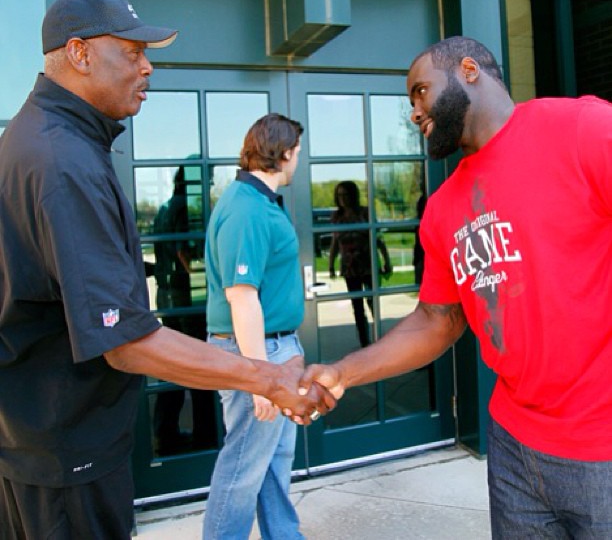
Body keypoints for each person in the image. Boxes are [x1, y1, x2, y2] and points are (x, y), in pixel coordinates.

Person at [0, 0, 333, 539]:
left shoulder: (43, 140)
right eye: (132, 52)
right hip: (65, 455)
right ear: (79, 54)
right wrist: (267, 377)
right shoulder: (62, 161)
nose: (147, 66)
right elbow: (126, 341)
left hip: (41, 443)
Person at [300, 36, 612, 538]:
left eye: (420, 91)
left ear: (469, 69)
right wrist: (343, 371)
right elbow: (436, 320)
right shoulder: (444, 207)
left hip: (603, 446)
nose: (414, 112)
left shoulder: (581, 128)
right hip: (514, 446)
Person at [203, 113, 307, 540]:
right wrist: (260, 377)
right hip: (255, 352)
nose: (298, 160)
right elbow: (242, 298)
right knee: (243, 468)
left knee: (274, 460)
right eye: (297, 152)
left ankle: (284, 535)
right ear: (283, 154)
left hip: (274, 349)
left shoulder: (258, 202)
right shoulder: (245, 209)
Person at [152, 166, 216, 455]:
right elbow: (183, 252)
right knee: (201, 366)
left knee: (174, 367)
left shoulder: (164, 208)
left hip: (167, 295)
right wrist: (208, 275)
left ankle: (166, 433)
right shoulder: (183, 209)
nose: (210, 183)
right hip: (186, 297)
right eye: (208, 178)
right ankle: (206, 436)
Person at [328, 180, 392, 347]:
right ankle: (365, 343)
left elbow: (378, 239)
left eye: (346, 194)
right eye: (340, 195)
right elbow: (335, 242)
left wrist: (387, 260)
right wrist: (331, 264)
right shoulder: (336, 217)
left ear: (353, 195)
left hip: (368, 263)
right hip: (349, 266)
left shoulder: (365, 213)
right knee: (357, 306)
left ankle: (380, 340)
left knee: (372, 302)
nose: (343, 198)